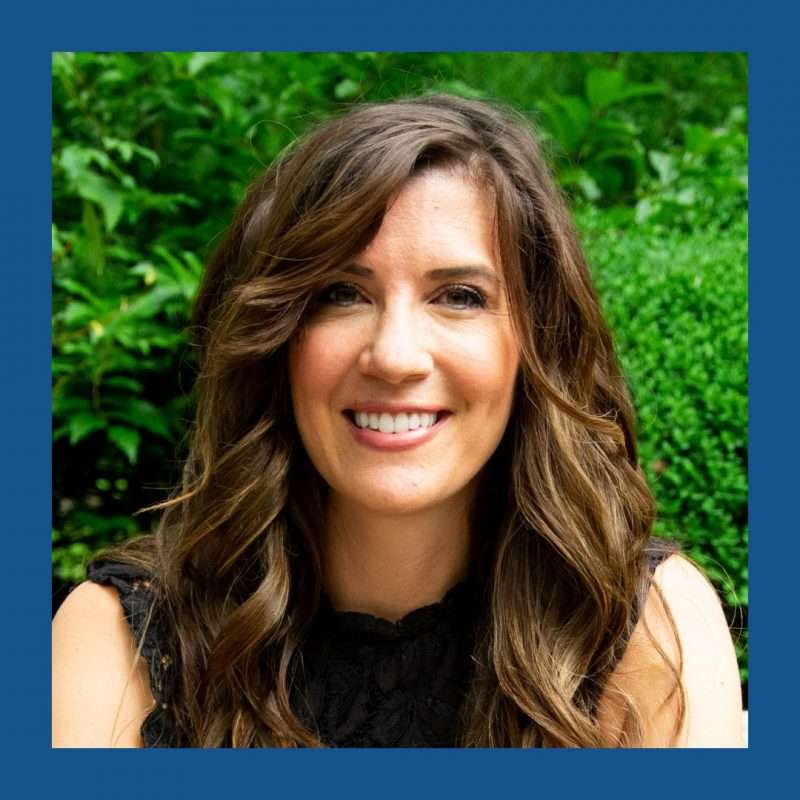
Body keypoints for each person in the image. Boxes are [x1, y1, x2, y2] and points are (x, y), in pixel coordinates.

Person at [52, 94, 744, 748]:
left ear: (538, 343)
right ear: (275, 337)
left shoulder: (647, 628)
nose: (394, 355)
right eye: (342, 293)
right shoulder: (121, 640)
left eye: (460, 296)